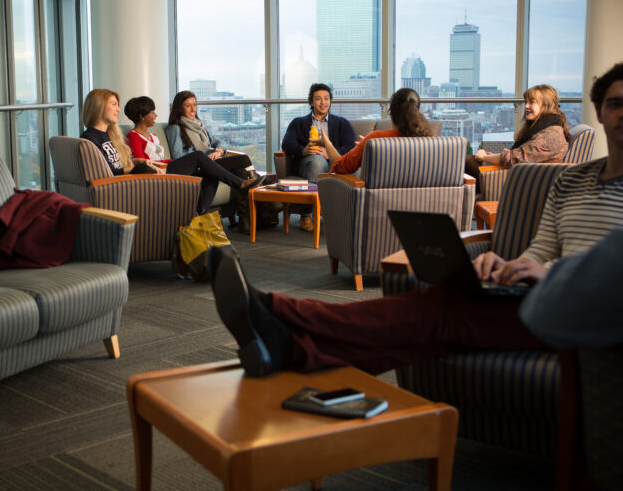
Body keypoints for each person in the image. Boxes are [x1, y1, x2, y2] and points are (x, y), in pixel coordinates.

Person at [208, 63, 623, 378]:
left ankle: (281, 313)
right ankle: (292, 350)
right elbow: (543, 247)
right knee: (431, 324)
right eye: (615, 103)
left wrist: (548, 276)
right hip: (532, 294)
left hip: (580, 314)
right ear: (601, 113)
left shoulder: (376, 139)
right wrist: (513, 262)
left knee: (434, 314)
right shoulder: (573, 182)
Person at [122, 95, 264, 214]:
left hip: (167, 167)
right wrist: (178, 162)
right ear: (142, 116)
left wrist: (218, 151)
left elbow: (164, 158)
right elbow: (142, 163)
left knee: (212, 175)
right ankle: (242, 184)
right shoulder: (133, 136)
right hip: (159, 172)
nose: (155, 115)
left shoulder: (152, 135)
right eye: (152, 112)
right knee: (198, 156)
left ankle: (200, 214)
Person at [165, 90, 270, 232]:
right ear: (179, 107)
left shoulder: (199, 125)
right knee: (242, 160)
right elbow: (178, 157)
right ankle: (255, 197)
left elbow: (218, 141)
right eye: (187, 105)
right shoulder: (175, 128)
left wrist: (219, 150)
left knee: (235, 169)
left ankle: (243, 218)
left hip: (209, 164)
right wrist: (204, 158)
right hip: (196, 168)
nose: (192, 109)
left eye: (194, 105)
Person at [281, 83, 357, 231]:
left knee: (356, 171)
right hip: (308, 162)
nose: (323, 102)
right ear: (311, 102)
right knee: (317, 161)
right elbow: (287, 143)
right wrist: (302, 151)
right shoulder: (298, 122)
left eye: (326, 98)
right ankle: (306, 214)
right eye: (318, 99)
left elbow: (351, 146)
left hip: (335, 163)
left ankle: (340, 216)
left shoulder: (342, 123)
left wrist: (329, 153)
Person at [465, 84, 570, 185]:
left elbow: (513, 158)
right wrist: (491, 156)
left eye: (532, 102)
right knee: (470, 161)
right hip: (522, 173)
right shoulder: (547, 128)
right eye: (526, 102)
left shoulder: (550, 136)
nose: (526, 106)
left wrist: (484, 157)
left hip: (524, 180)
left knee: (468, 162)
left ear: (546, 106)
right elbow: (520, 155)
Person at [331, 88, 432, 175]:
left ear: (391, 112)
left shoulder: (375, 139)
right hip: (425, 197)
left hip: (382, 197)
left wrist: (326, 142)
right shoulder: (431, 141)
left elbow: (341, 167)